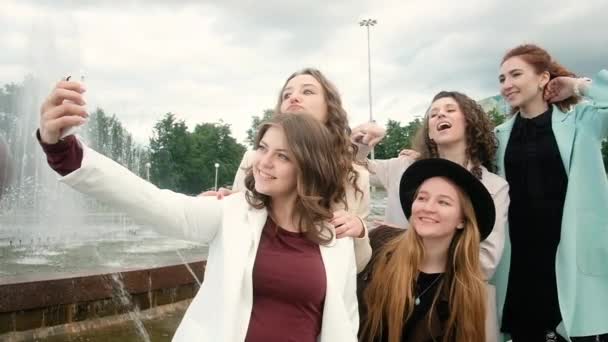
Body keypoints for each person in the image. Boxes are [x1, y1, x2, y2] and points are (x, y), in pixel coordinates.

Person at [37, 79, 360, 341]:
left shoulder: (336, 237)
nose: (264, 162)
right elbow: (150, 201)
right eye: (263, 148)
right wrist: (62, 150)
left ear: (309, 168)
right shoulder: (229, 213)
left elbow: (345, 321)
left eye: (283, 156)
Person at [492, 43, 608, 341]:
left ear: (543, 78)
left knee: (581, 332)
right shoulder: (498, 136)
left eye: (516, 74)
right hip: (520, 261)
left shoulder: (582, 122)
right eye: (502, 79)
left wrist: (576, 85)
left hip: (573, 254)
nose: (507, 84)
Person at [209, 68, 372, 271]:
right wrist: (229, 207)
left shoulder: (355, 177)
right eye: (287, 94)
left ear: (330, 107)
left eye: (307, 92)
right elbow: (234, 240)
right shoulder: (254, 162)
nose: (294, 97)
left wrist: (358, 231)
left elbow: (358, 266)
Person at [358, 158, 495, 342]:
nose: (427, 208)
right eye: (422, 198)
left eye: (443, 202)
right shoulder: (378, 244)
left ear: (462, 220)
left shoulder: (465, 291)